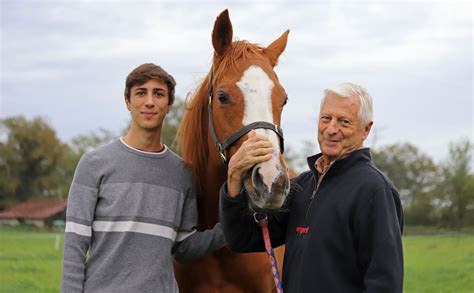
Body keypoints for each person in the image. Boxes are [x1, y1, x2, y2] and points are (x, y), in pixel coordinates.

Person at [219, 82, 404, 292]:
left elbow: (384, 284)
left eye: (344, 121)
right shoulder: (302, 187)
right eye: (326, 118)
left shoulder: (375, 191)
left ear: (366, 129)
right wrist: (234, 176)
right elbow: (242, 239)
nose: (331, 129)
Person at [62, 63, 226, 293]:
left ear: (168, 105)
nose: (149, 101)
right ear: (128, 102)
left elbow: (184, 247)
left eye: (158, 94)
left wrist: (232, 228)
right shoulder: (94, 165)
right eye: (141, 93)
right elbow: (75, 246)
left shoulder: (182, 174)